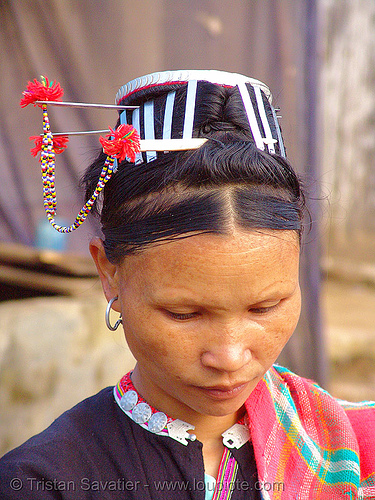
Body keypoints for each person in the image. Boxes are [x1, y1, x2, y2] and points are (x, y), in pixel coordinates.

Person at [1, 70, 374, 499]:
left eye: (266, 307)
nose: (230, 356)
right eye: (185, 313)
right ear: (110, 275)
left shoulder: (359, 451)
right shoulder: (42, 484)